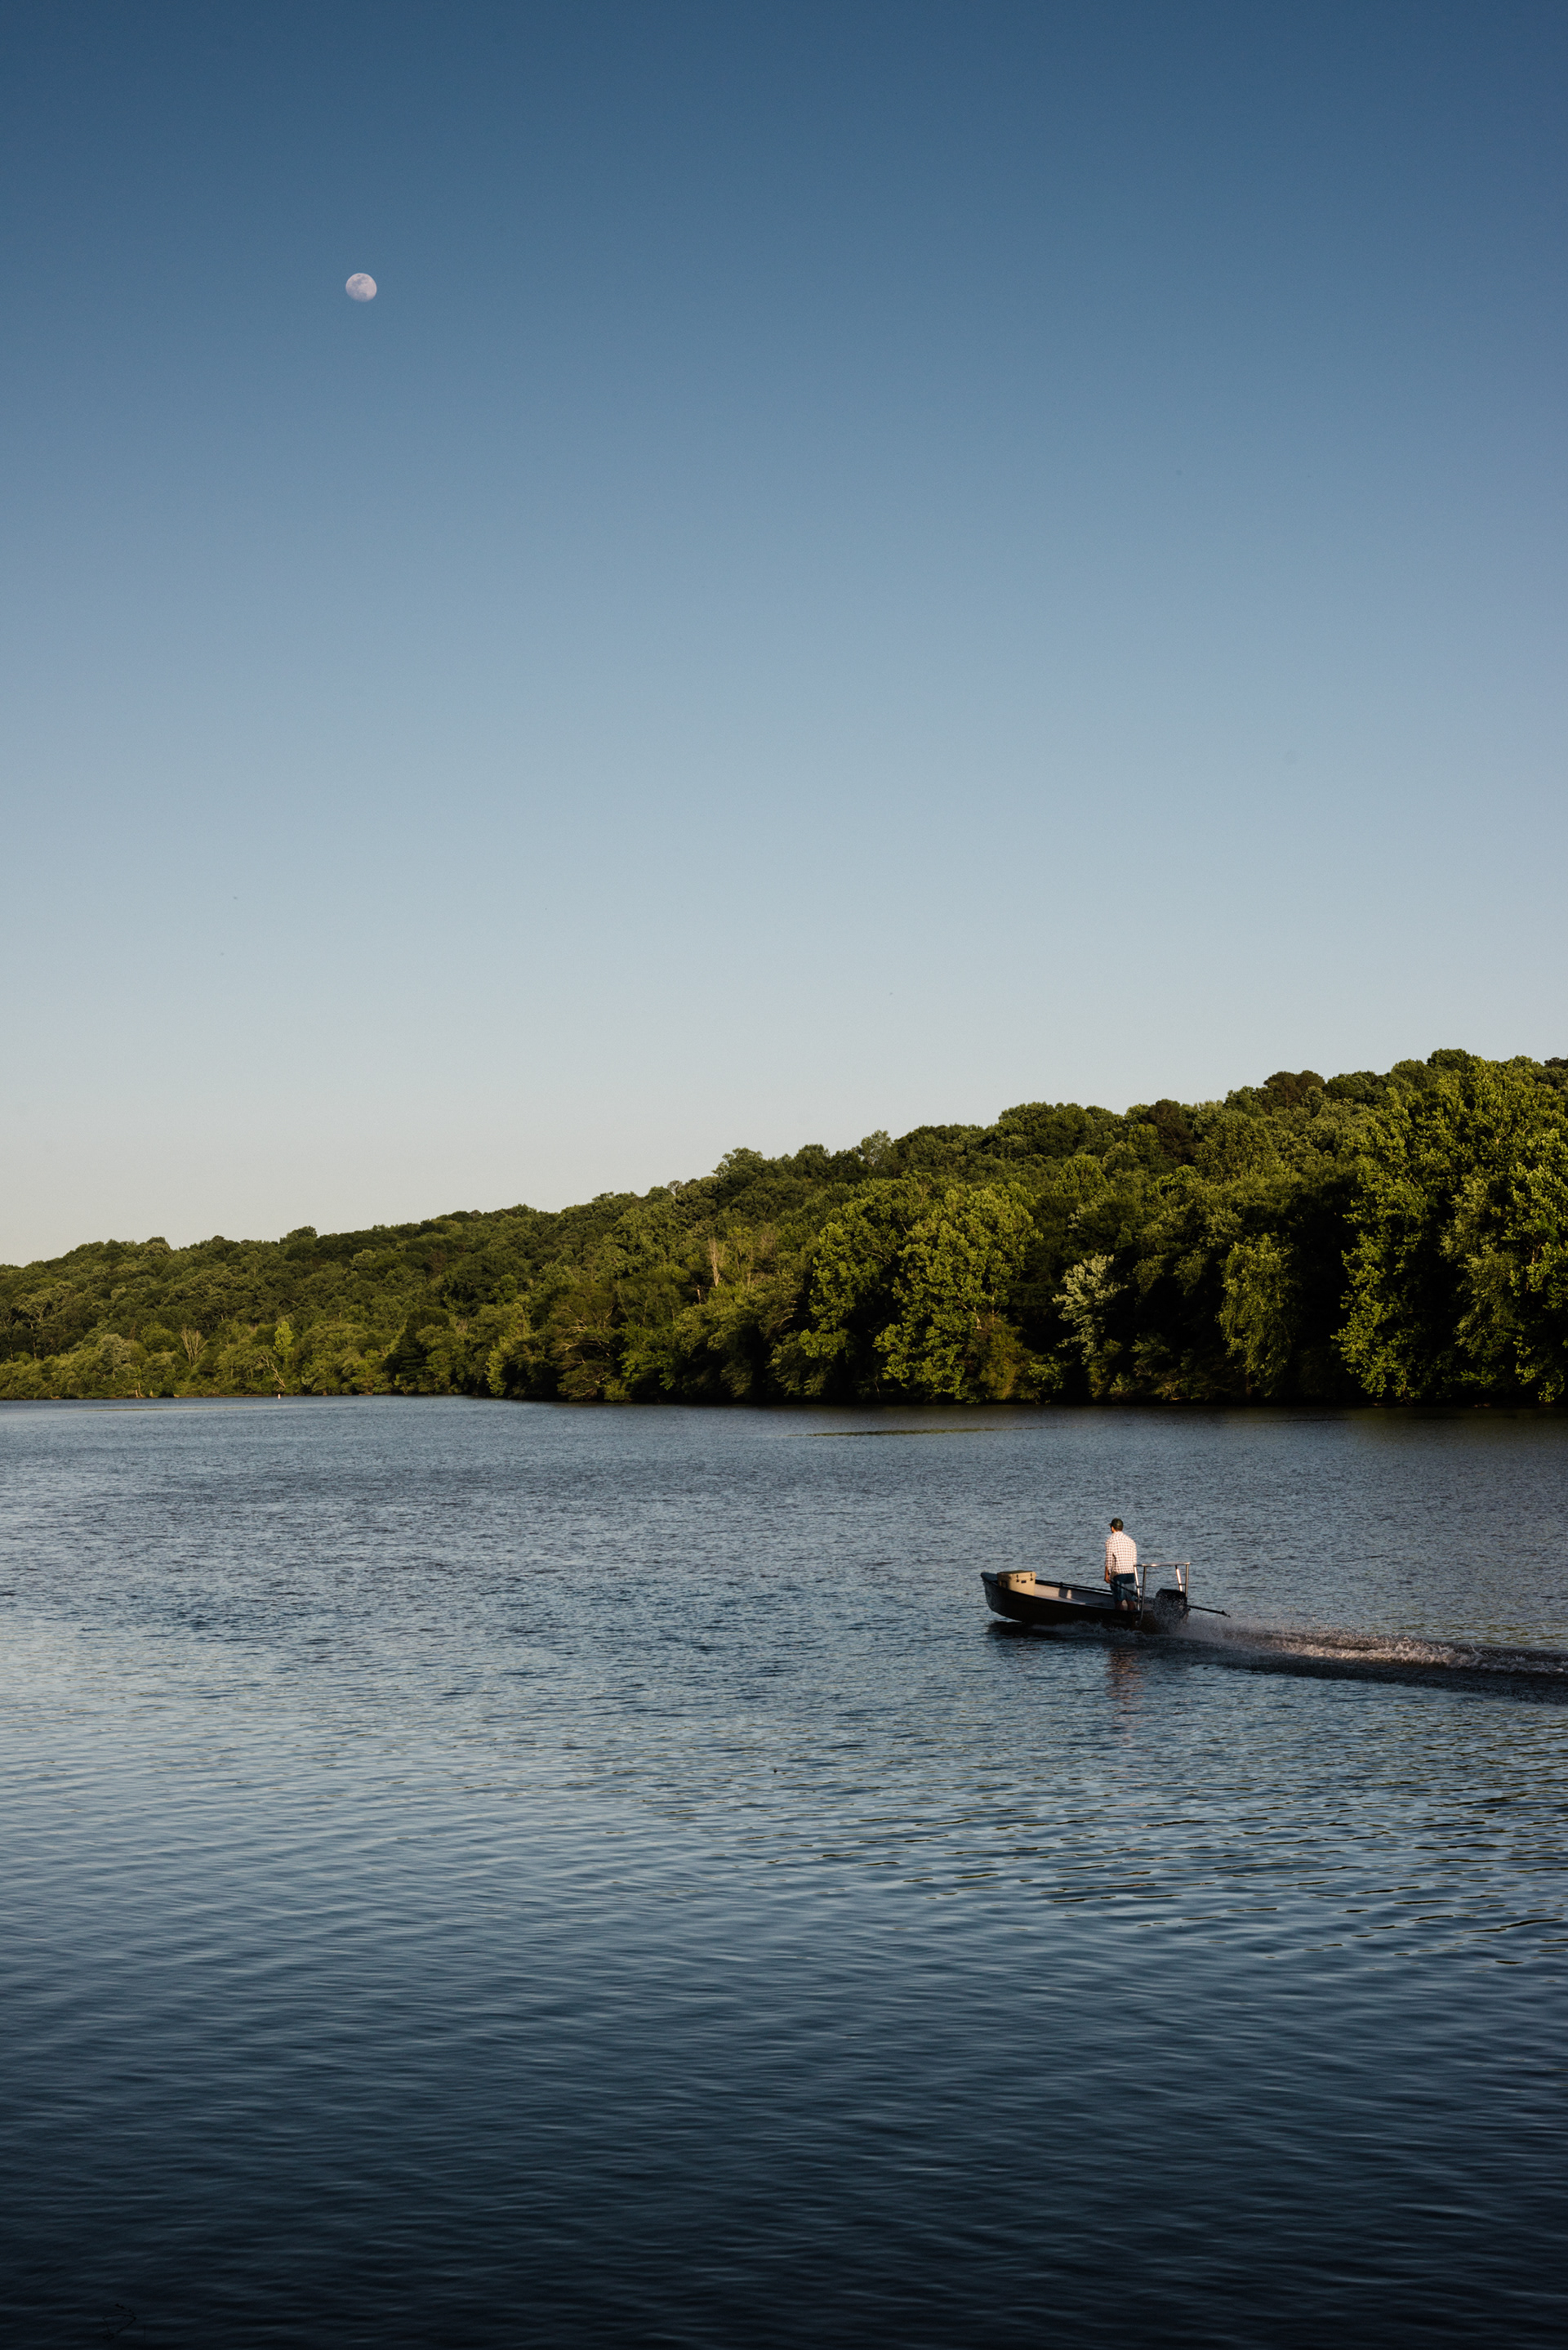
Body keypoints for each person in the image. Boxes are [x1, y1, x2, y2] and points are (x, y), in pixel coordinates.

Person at [1104, 1518, 1139, 1610]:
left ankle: (1119, 1621)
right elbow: (1134, 1560)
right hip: (1130, 1572)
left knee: (1118, 1600)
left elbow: (1109, 1560)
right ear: (1122, 1528)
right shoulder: (1131, 1541)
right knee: (1130, 1599)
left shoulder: (1110, 1540)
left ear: (1112, 1528)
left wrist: (1107, 1574)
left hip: (1118, 1573)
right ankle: (1132, 1619)